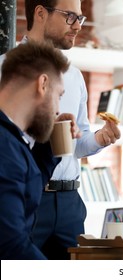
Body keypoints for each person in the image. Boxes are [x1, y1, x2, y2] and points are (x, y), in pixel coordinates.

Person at [0, 0, 121, 259]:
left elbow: (76, 146)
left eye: (81, 18)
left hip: (69, 200)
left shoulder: (74, 76)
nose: (78, 26)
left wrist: (100, 138)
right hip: (24, 196)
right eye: (70, 17)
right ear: (41, 13)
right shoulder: (3, 68)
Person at [0, 41, 71, 259]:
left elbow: (27, 188)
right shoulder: (5, 147)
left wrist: (51, 143)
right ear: (42, 84)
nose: (58, 109)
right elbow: (11, 245)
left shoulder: (13, 143)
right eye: (59, 96)